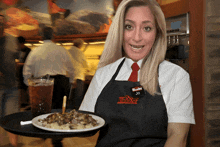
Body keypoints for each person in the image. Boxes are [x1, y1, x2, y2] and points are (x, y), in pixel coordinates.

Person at [79, 0, 195, 146]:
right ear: (120, 31)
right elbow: (83, 128)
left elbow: (178, 136)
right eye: (129, 27)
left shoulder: (176, 76)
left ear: (157, 32)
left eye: (147, 28)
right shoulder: (103, 74)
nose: (137, 37)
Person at [23, 27, 79, 110]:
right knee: (59, 110)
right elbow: (71, 67)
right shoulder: (62, 50)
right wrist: (72, 80)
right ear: (53, 36)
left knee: (43, 110)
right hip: (60, 83)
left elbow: (27, 70)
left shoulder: (35, 51)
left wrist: (28, 84)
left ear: (41, 37)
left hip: (41, 84)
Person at [0, 32, 19, 146]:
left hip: (12, 86)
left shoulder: (12, 39)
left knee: (12, 118)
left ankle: (14, 145)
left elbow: (16, 59)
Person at [68, 38, 88, 110]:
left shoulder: (67, 51)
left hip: (68, 78)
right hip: (78, 77)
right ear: (80, 45)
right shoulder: (80, 53)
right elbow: (85, 65)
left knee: (69, 98)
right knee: (78, 99)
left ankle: (68, 113)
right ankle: (77, 114)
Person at [15, 36, 31, 108]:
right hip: (18, 73)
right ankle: (22, 103)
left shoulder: (28, 51)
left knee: (26, 87)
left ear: (22, 43)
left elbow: (29, 63)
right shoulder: (16, 51)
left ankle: (26, 103)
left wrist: (19, 64)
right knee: (20, 87)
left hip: (26, 73)